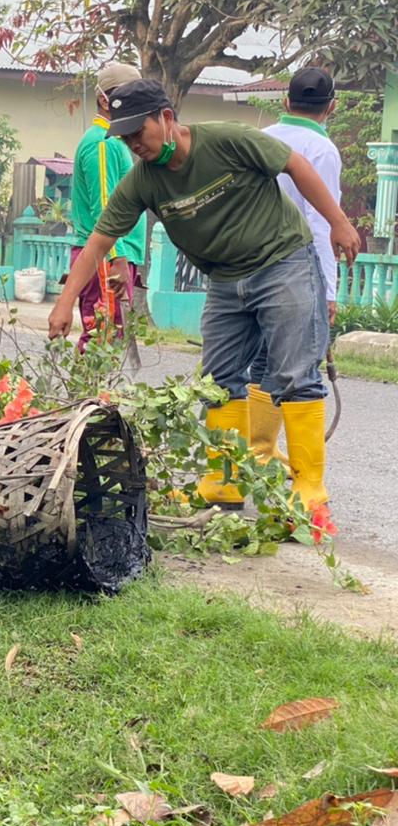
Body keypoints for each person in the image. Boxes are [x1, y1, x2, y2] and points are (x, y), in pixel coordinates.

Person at [48, 79, 360, 513]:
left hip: (283, 262)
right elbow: (99, 240)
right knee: (218, 382)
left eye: (139, 131)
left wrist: (339, 223)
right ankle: (223, 484)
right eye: (126, 137)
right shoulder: (143, 181)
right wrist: (64, 303)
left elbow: (297, 166)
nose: (134, 143)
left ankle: (310, 492)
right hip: (225, 280)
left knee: (294, 376)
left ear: (167, 118)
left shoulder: (227, 140)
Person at [247, 67, 343, 465]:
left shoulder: (261, 139)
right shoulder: (322, 150)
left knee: (261, 360)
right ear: (332, 108)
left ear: (285, 102)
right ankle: (302, 472)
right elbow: (322, 223)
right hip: (296, 270)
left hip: (249, 267)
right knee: (300, 367)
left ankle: (258, 452)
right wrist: (329, 290)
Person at [68, 61, 147, 351]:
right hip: (105, 258)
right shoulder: (104, 143)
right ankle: (86, 397)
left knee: (107, 339)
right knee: (101, 339)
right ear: (105, 100)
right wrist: (118, 258)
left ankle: (92, 396)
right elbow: (105, 208)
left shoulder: (116, 141)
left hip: (110, 256)